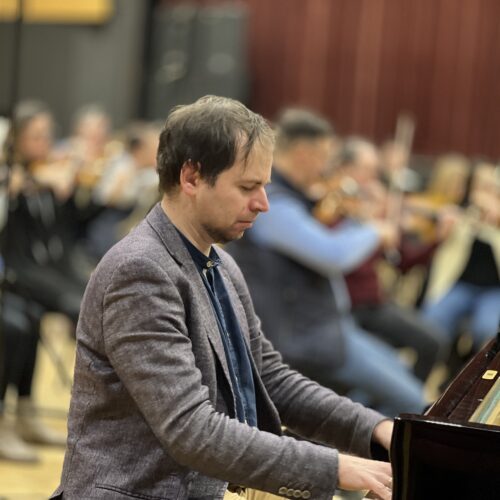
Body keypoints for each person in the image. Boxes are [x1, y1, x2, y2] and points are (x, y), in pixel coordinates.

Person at [52, 96, 393, 500]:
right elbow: (191, 429)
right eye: (248, 187)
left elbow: (268, 379)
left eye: (264, 186)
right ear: (191, 177)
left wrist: (375, 429)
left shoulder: (222, 265)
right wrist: (335, 467)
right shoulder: (140, 271)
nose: (263, 203)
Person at [228, 109, 426, 418]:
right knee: (412, 401)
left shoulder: (298, 197)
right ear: (303, 153)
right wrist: (375, 230)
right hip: (306, 336)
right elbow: (332, 255)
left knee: (400, 378)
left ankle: (351, 428)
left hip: (331, 326)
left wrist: (359, 217)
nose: (327, 167)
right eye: (324, 156)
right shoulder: (274, 205)